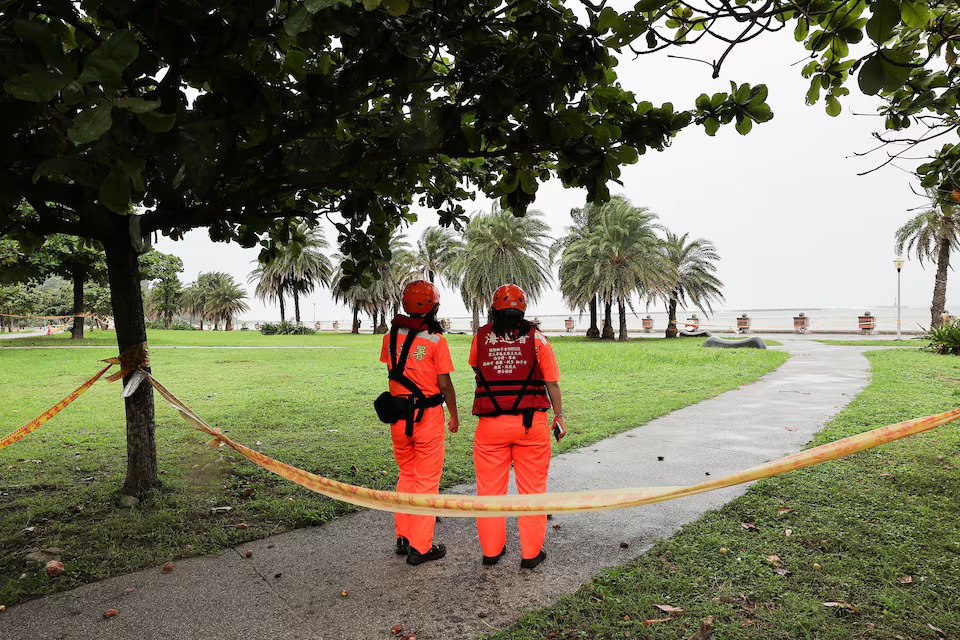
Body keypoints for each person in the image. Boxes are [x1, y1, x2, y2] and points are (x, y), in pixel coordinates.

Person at [469, 284, 566, 569]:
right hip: (530, 426)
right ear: (523, 309)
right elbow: (552, 383)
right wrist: (559, 415)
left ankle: (491, 551)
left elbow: (476, 367)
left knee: (488, 492)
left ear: (494, 309)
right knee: (533, 490)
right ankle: (531, 554)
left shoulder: (480, 338)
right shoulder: (539, 340)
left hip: (490, 427)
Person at [380, 280, 459, 565]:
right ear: (433, 308)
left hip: (398, 418)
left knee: (406, 476)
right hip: (427, 418)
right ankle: (421, 548)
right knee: (426, 483)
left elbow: (393, 371)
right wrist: (454, 413)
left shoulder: (389, 338)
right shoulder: (436, 341)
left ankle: (403, 536)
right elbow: (445, 385)